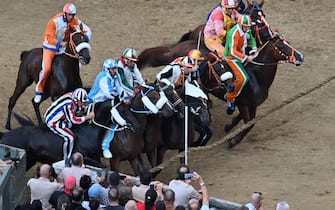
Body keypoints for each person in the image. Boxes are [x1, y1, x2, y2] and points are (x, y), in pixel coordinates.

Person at [34, 3, 92, 103]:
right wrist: (60, 43)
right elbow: (49, 37)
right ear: (64, 14)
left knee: (76, 62)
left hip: (64, 47)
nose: (72, 17)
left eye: (73, 15)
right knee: (46, 68)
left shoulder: (74, 20)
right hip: (51, 47)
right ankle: (39, 90)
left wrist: (85, 38)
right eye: (70, 15)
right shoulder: (54, 21)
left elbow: (87, 29)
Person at [88, 58, 130, 158]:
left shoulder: (114, 77)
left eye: (115, 68)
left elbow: (119, 88)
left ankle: (106, 144)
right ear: (107, 69)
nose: (115, 70)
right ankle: (102, 146)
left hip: (107, 102)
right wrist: (121, 99)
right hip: (95, 103)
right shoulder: (102, 77)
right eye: (113, 69)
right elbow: (109, 93)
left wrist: (125, 96)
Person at [44, 88, 95, 166]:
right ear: (77, 101)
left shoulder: (73, 97)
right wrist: (87, 117)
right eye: (82, 102)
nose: (84, 104)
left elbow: (79, 109)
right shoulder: (68, 105)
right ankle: (66, 159)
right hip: (53, 121)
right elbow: (74, 120)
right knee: (70, 138)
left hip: (60, 115)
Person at [223, 14, 257, 114]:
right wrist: (246, 57)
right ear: (240, 25)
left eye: (248, 26)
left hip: (241, 54)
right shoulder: (234, 33)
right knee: (243, 78)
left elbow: (251, 38)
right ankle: (229, 97)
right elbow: (232, 52)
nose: (247, 28)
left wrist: (254, 49)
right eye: (245, 26)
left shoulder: (247, 29)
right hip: (231, 58)